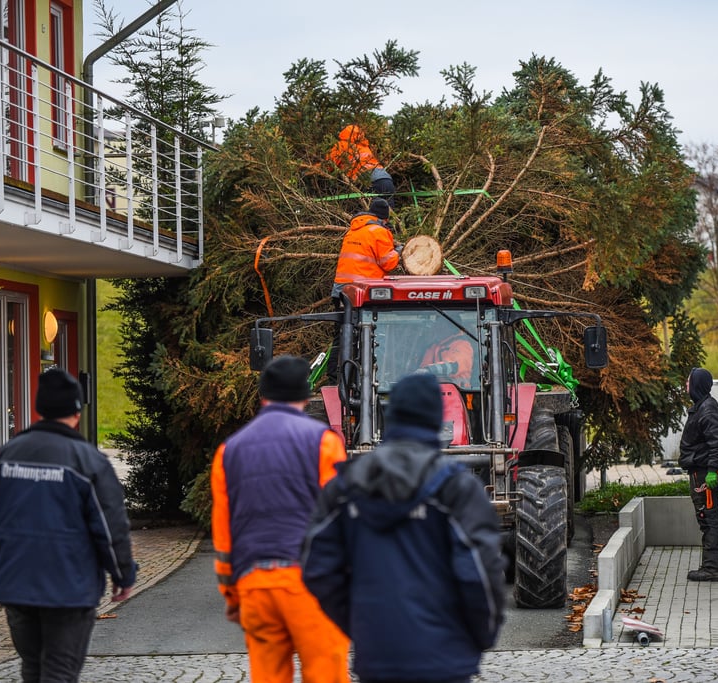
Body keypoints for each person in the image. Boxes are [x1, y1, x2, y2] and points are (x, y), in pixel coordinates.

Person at [302, 372, 507, 683]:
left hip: (377, 659)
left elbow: (316, 567)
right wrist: (480, 637)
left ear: (390, 412)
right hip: (446, 661)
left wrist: (358, 626)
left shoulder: (345, 488)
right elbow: (480, 574)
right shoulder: (457, 490)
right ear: (436, 416)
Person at [0, 368, 136, 682]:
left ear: (40, 408)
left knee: (32, 667)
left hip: (15, 581)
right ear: (76, 411)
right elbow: (110, 525)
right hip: (69, 586)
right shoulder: (88, 461)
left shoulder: (5, 455)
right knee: (60, 671)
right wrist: (123, 574)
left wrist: (16, 544)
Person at [210, 355, 350, 683]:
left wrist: (232, 593)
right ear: (305, 395)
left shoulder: (229, 451)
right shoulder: (325, 443)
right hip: (312, 584)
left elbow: (224, 533)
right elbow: (340, 519)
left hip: (254, 585)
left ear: (262, 395)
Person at [327, 198, 400, 382]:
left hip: (341, 290)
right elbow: (387, 262)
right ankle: (360, 380)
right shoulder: (379, 231)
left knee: (343, 334)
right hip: (362, 293)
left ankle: (335, 377)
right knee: (366, 334)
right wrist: (398, 251)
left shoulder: (354, 230)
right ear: (384, 218)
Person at [678, 367, 718, 582]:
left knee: (708, 518)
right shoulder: (702, 407)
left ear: (697, 384)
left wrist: (712, 472)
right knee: (706, 518)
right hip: (700, 471)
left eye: (689, 382)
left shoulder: (707, 410)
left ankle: (711, 568)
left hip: (704, 474)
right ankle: (709, 566)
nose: (686, 386)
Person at [327, 124, 396, 203]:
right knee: (387, 211)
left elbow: (328, 165)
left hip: (366, 180)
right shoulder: (365, 147)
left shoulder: (341, 145)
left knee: (370, 213)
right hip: (386, 178)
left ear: (344, 133)